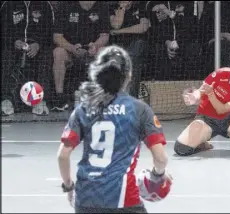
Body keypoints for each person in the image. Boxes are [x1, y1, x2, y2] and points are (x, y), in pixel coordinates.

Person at [57, 45, 172, 213]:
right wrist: (157, 176)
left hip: (86, 199)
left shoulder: (84, 108)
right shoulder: (139, 109)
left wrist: (68, 187)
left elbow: (62, 155)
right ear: (129, 76)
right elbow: (161, 158)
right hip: (123, 199)